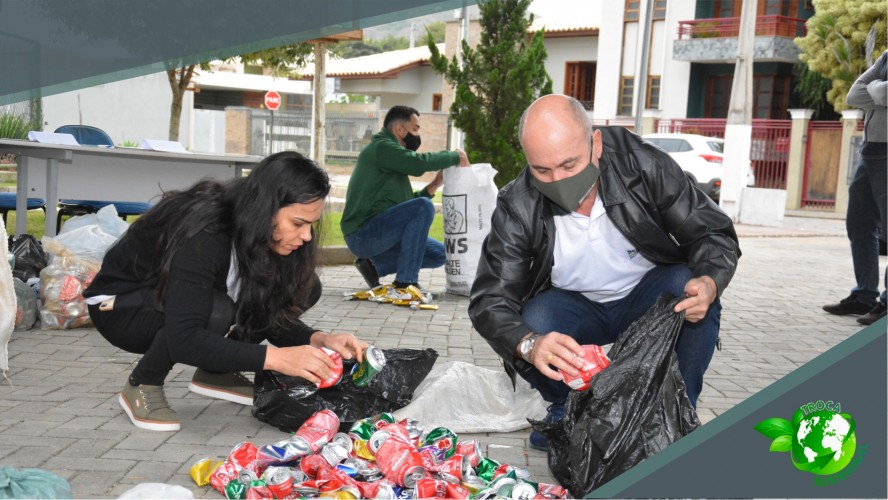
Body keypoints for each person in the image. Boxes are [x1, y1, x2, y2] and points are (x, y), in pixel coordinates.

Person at [468, 95, 740, 451]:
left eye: (569, 165)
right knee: (533, 320)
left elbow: (712, 232)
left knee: (685, 288)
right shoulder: (517, 203)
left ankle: (677, 413)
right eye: (542, 171)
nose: (558, 180)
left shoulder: (643, 165)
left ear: (595, 144)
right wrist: (531, 344)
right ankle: (568, 408)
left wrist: (709, 281)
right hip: (576, 308)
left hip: (647, 297)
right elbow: (489, 301)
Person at [84, 151, 368, 432]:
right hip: (120, 307)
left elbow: (265, 314)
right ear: (266, 208)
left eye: (310, 225)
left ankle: (215, 371)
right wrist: (278, 359)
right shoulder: (206, 229)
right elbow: (185, 337)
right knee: (217, 310)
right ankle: (143, 383)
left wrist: (317, 338)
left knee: (306, 287)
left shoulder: (258, 230)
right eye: (297, 224)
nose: (306, 236)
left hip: (177, 302)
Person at [341, 105, 470, 291]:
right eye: (415, 129)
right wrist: (454, 156)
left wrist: (434, 185)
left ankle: (374, 266)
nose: (417, 135)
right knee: (423, 206)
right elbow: (417, 164)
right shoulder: (382, 148)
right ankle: (405, 282)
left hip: (380, 231)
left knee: (440, 254)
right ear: (400, 130)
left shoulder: (390, 157)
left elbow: (406, 206)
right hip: (362, 235)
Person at [823, 50, 887, 326]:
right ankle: (865, 295)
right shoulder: (885, 56)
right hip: (871, 150)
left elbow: (878, 94)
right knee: (859, 223)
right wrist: (878, 92)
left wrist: (875, 92)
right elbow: (854, 95)